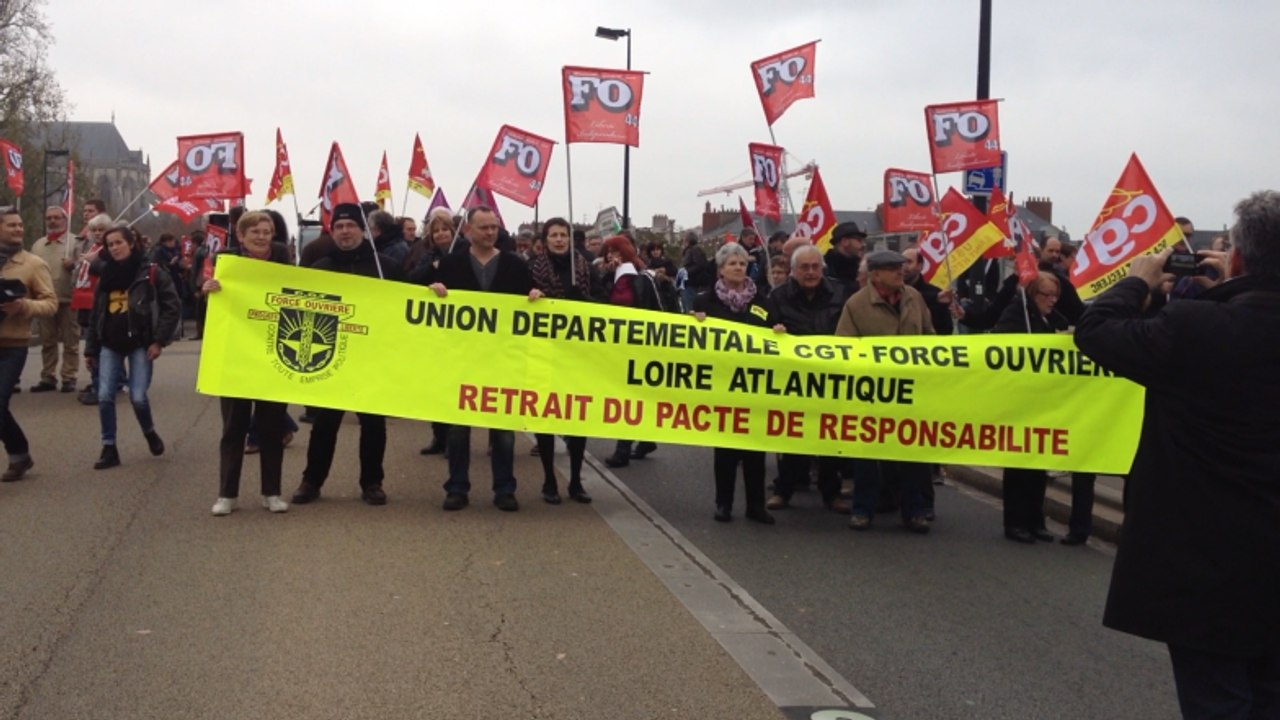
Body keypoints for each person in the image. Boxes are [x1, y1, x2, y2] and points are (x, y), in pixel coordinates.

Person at [1075, 191, 1280, 719]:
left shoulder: (1194, 327)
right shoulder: (1207, 321)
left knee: (1218, 700)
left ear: (1237, 257)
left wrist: (1139, 278)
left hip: (1206, 561)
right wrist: (1231, 289)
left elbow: (1096, 332)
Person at [291, 203, 403, 507]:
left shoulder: (386, 267)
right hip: (331, 358)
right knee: (325, 423)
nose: (345, 231)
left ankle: (372, 482)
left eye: (350, 226)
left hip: (372, 359)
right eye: (339, 227)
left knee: (373, 424)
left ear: (362, 229)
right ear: (332, 231)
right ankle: (312, 480)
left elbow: (408, 308)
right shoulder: (321, 269)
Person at [427, 206, 531, 512]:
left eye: (494, 227)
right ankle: (457, 487)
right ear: (469, 230)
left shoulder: (513, 264)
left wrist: (535, 298)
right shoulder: (451, 263)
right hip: (463, 359)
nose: (490, 232)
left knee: (503, 431)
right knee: (458, 430)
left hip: (502, 359)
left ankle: (505, 488)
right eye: (484, 227)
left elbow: (527, 302)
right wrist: (434, 290)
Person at [836, 250, 935, 533]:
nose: (899, 272)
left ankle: (914, 511)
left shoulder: (914, 298)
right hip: (872, 391)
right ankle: (863, 509)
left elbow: (929, 335)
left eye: (901, 267)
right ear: (875, 274)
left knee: (910, 454)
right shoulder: (856, 305)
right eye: (893, 268)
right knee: (867, 455)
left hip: (909, 388)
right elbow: (844, 346)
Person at [201, 211, 292, 515]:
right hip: (235, 353)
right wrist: (207, 290)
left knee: (271, 426)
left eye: (266, 231)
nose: (262, 236)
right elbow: (196, 294)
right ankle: (227, 494)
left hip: (272, 353)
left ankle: (272, 492)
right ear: (241, 236)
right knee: (234, 427)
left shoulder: (284, 262)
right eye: (255, 232)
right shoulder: (223, 262)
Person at [84, 225, 180, 470]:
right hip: (109, 343)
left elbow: (172, 306)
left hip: (141, 342)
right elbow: (96, 314)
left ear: (131, 243)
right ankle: (109, 447)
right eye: (110, 245)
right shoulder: (106, 276)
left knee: (138, 397)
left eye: (119, 243)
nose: (114, 248)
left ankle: (149, 432)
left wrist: (159, 340)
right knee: (105, 395)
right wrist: (91, 349)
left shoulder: (151, 273)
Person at [693, 243, 777, 524]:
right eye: (732, 264)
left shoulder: (763, 302)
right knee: (726, 449)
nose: (738, 268)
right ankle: (724, 503)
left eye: (742, 263)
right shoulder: (705, 302)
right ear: (721, 270)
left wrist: (779, 332)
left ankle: (755, 505)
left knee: (755, 448)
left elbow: (776, 334)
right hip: (722, 385)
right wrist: (695, 323)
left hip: (754, 385)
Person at [765, 245, 851, 513]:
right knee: (794, 437)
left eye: (815, 267)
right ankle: (784, 490)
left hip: (832, 377)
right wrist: (774, 332)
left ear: (822, 269)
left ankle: (831, 493)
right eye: (805, 267)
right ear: (793, 271)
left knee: (829, 438)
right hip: (795, 379)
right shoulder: (778, 297)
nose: (811, 272)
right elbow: (764, 331)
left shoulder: (841, 293)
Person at [527, 217, 600, 504]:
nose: (559, 240)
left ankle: (576, 481)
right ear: (545, 240)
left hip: (577, 352)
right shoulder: (532, 268)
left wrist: (583, 299)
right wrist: (531, 296)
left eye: (563, 235)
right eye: (553, 235)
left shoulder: (584, 268)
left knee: (577, 418)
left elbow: (603, 303)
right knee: (546, 416)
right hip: (545, 350)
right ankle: (548, 479)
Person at [993, 272, 1069, 543]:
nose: (1051, 300)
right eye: (1045, 295)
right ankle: (1015, 522)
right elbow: (1002, 346)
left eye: (1054, 295)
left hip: (1043, 401)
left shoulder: (1050, 317)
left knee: (1038, 464)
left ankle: (1035, 519)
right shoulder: (1015, 315)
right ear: (1031, 293)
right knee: (1018, 465)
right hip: (1020, 401)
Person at [599, 235, 667, 468]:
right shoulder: (610, 278)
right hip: (615, 347)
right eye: (608, 252)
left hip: (638, 347)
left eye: (615, 251)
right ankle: (646, 439)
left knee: (628, 397)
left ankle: (623, 450)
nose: (611, 256)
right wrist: (605, 273)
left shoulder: (642, 280)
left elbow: (657, 311)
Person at [0, 206, 58, 481]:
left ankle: (19, 453)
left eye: (20, 225)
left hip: (13, 344)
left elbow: (51, 304)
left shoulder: (33, 264)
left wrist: (22, 306)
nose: (18, 229)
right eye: (12, 225)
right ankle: (20, 454)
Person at [29, 207, 80, 392]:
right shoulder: (38, 245)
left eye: (56, 218)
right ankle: (48, 377)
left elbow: (85, 268)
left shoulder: (75, 243)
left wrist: (73, 264)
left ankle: (69, 376)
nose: (52, 221)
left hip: (69, 299)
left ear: (65, 220)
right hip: (44, 301)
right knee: (48, 341)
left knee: (70, 341)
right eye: (48, 218)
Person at [824, 221, 866, 296]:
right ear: (845, 242)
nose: (863, 245)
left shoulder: (863, 270)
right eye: (859, 240)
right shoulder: (824, 270)